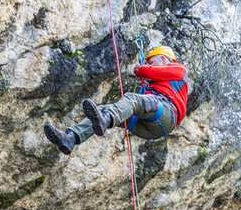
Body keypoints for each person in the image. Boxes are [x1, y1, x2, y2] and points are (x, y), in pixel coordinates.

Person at [44, 46, 188, 155]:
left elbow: (150, 72)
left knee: (132, 99)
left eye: (152, 61)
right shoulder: (156, 84)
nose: (150, 64)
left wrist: (141, 68)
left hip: (166, 112)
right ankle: (71, 138)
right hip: (149, 126)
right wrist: (144, 85)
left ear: (163, 58)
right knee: (103, 109)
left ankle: (106, 119)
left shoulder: (179, 69)